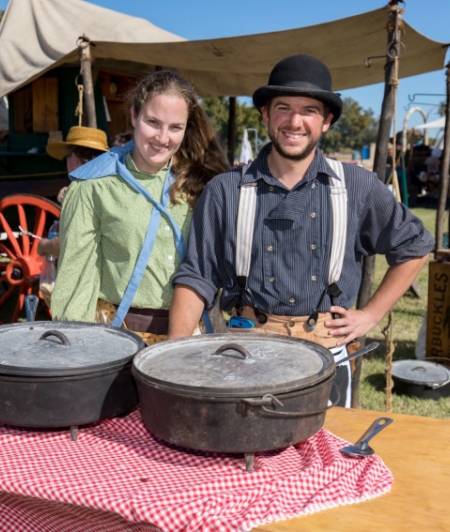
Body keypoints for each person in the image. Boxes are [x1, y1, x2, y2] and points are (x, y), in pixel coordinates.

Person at [167, 54, 434, 407]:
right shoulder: (225, 190)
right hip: (245, 352)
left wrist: (370, 314)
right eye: (283, 108)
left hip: (326, 354)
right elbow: (195, 278)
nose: (295, 121)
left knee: (328, 457)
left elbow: (415, 244)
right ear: (265, 114)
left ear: (326, 121)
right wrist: (172, 366)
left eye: (309, 110)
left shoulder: (356, 186)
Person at [49, 70, 229, 343]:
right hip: (119, 336)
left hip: (196, 333)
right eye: (153, 122)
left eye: (175, 127)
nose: (163, 138)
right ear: (134, 115)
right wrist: (75, 350)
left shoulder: (202, 181)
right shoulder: (93, 187)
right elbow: (75, 281)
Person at [37, 126, 110, 257]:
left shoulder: (81, 190)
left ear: (74, 159)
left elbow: (66, 245)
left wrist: (43, 245)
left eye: (66, 158)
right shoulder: (112, 185)